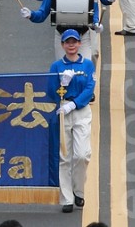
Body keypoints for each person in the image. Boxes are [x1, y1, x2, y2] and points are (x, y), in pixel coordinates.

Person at [48, 29, 95, 213]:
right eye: (68, 42)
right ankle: (66, 198)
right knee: (64, 156)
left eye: (74, 42)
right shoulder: (56, 67)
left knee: (82, 155)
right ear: (62, 45)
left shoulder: (88, 65)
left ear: (79, 44)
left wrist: (74, 104)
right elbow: (51, 93)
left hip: (81, 110)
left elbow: (90, 90)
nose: (71, 45)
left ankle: (79, 191)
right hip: (63, 110)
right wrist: (62, 85)